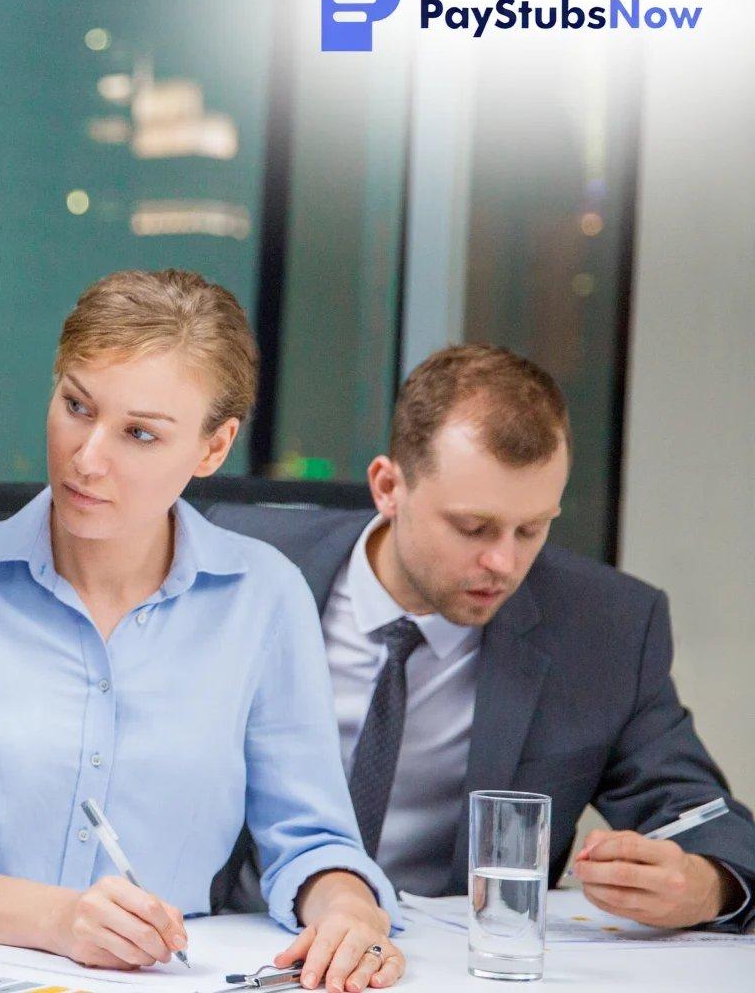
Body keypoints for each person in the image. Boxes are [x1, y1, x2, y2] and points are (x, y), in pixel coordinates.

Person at [0, 270, 407, 993]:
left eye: (140, 433)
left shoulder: (265, 597)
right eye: (77, 406)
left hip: (167, 980)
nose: (87, 458)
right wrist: (60, 920)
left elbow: (312, 839)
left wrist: (349, 911)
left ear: (212, 449)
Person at [209, 344, 755, 933]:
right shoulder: (237, 561)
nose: (504, 562)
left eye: (532, 529)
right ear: (388, 486)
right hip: (236, 938)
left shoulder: (604, 628)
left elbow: (701, 814)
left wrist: (707, 884)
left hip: (447, 956)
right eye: (474, 528)